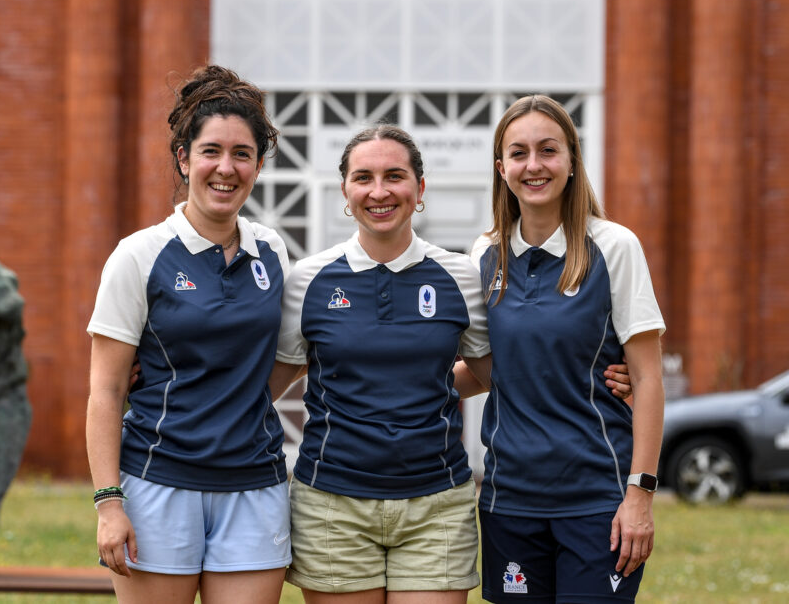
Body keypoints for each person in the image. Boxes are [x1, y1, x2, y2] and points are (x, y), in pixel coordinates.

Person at [268, 124, 634, 604]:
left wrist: (598, 374)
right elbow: (268, 382)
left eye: (395, 176)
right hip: (332, 502)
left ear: (420, 189)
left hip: (436, 503)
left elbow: (495, 372)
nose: (379, 192)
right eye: (363, 178)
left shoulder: (461, 273)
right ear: (345, 191)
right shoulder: (307, 279)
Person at [85, 64, 291, 604]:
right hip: (157, 482)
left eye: (242, 154)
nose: (226, 168)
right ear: (184, 158)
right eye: (211, 151)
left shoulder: (273, 250)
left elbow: (287, 355)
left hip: (255, 482)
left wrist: (237, 406)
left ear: (259, 164)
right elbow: (105, 391)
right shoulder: (139, 255)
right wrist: (109, 503)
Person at [460, 95, 665, 603]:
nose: (534, 165)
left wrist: (640, 493)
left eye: (548, 151)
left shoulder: (615, 246)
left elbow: (647, 379)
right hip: (510, 500)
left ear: (572, 160)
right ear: (501, 167)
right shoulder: (484, 253)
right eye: (519, 153)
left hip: (597, 499)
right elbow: (487, 371)